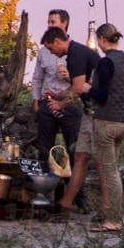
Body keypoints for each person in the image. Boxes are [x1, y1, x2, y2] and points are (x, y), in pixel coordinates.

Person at [40, 25, 100, 213]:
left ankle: (93, 204)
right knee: (81, 155)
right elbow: (75, 86)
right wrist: (58, 95)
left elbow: (79, 88)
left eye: (51, 48)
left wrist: (61, 105)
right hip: (93, 108)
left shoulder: (75, 54)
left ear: (58, 42)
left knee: (86, 156)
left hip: (98, 110)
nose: (52, 53)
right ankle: (67, 202)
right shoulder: (76, 52)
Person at [88, 23, 124, 233]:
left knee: (110, 172)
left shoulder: (106, 63)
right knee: (113, 169)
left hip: (106, 124)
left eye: (98, 41)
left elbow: (101, 96)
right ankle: (110, 215)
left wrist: (89, 88)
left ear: (102, 40)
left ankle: (114, 220)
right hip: (123, 123)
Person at [30, 9, 77, 160]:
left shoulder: (75, 50)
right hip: (47, 102)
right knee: (44, 146)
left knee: (73, 145)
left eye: (53, 22)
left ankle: (71, 181)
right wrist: (36, 101)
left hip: (69, 103)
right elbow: (37, 77)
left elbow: (84, 82)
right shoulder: (44, 51)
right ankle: (46, 180)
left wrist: (69, 76)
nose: (49, 25)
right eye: (48, 22)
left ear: (64, 23)